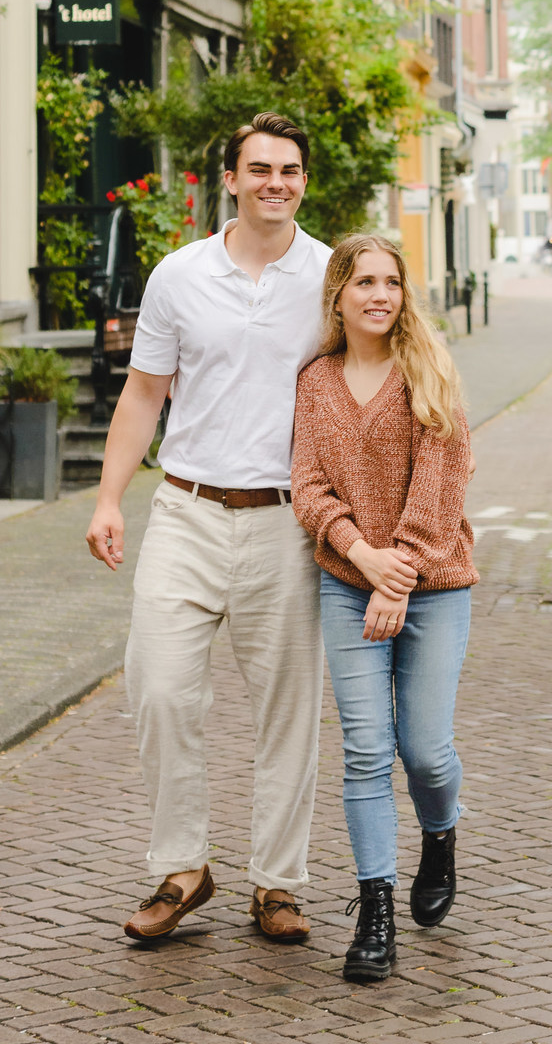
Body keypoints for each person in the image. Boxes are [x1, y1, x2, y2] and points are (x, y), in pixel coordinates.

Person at [85, 112, 331, 946]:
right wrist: (109, 499)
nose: (275, 183)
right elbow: (143, 394)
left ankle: (278, 883)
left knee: (289, 709)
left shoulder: (330, 277)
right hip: (186, 510)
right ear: (230, 180)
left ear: (304, 182)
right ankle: (184, 871)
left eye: (289, 170)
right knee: (158, 688)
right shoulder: (179, 275)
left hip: (287, 521)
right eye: (259, 169)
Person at [291, 234, 476, 983]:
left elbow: (444, 481)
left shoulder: (428, 370)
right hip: (348, 581)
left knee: (425, 750)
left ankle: (441, 833)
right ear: (337, 295)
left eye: (391, 283)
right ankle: (375, 912)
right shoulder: (315, 381)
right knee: (367, 748)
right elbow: (307, 486)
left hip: (434, 583)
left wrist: (395, 578)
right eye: (364, 282)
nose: (379, 295)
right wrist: (360, 558)